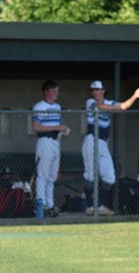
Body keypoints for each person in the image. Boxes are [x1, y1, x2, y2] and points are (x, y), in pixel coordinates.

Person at [82, 80, 139, 216]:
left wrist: (135, 96)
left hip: (102, 142)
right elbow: (101, 107)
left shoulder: (110, 102)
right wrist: (117, 108)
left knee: (110, 176)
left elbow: (124, 106)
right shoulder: (90, 102)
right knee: (90, 174)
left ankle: (100, 206)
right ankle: (90, 206)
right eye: (93, 90)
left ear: (103, 90)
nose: (95, 92)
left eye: (97, 89)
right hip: (91, 139)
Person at [32, 80, 69, 218]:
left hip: (55, 142)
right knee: (43, 175)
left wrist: (62, 129)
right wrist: (56, 128)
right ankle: (41, 204)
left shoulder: (58, 107)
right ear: (46, 92)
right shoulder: (39, 106)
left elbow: (58, 124)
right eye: (53, 91)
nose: (56, 94)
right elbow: (36, 127)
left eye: (57, 91)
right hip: (44, 141)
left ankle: (50, 205)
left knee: (52, 176)